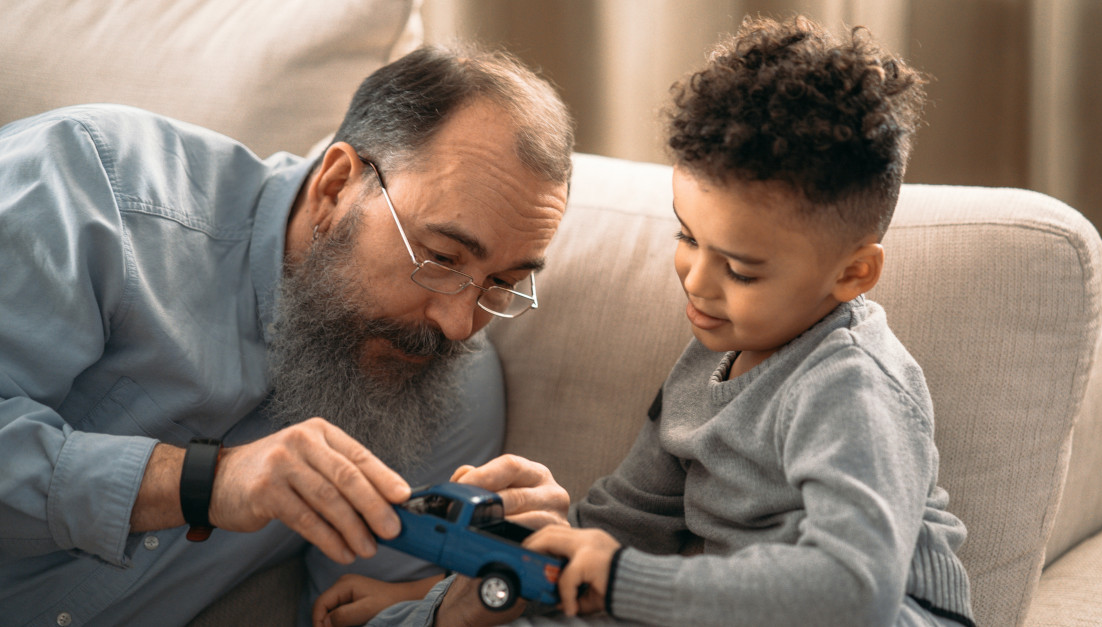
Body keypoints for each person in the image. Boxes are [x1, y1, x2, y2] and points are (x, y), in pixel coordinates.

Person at [334, 14, 975, 627]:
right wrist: (441, 589)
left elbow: (854, 595)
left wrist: (621, 581)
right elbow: (625, 522)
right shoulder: (710, 358)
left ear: (852, 274)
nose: (696, 280)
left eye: (742, 270)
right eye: (688, 236)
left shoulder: (850, 385)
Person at [0, 43, 573, 626]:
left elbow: (347, 614)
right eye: (442, 257)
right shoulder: (87, 184)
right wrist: (202, 482)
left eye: (502, 283)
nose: (457, 326)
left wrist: (452, 612)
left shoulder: (454, 384)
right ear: (337, 186)